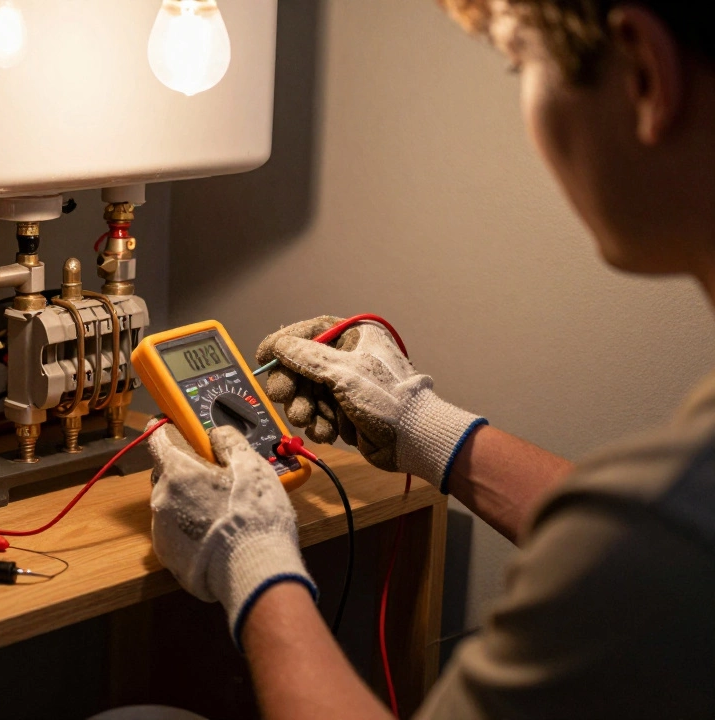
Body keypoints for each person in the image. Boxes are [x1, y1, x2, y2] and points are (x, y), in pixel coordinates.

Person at [146, 1, 715, 717]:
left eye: (518, 62)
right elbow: (639, 554)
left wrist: (252, 560)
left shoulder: (666, 521)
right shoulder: (670, 515)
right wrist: (422, 425)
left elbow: (643, 544)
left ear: (644, 73)